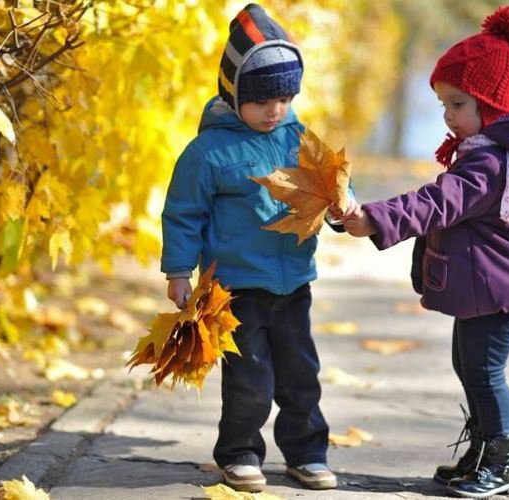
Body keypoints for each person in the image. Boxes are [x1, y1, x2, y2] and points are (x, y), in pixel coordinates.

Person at [341, 6, 509, 498]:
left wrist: (376, 218)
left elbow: (438, 203)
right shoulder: (481, 149)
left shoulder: (487, 162)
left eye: (457, 103)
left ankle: (503, 462)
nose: (447, 115)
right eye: (443, 103)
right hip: (488, 287)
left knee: (484, 371)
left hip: (502, 290)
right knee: (468, 367)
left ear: (491, 104)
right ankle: (484, 450)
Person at [161, 3, 338, 494]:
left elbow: (328, 189)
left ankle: (307, 453)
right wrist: (178, 271)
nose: (274, 110)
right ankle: (239, 452)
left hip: (294, 282)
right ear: (233, 92)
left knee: (302, 375)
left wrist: (341, 210)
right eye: (261, 100)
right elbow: (183, 214)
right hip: (237, 286)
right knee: (250, 377)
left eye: (283, 97)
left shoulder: (299, 138)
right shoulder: (209, 152)